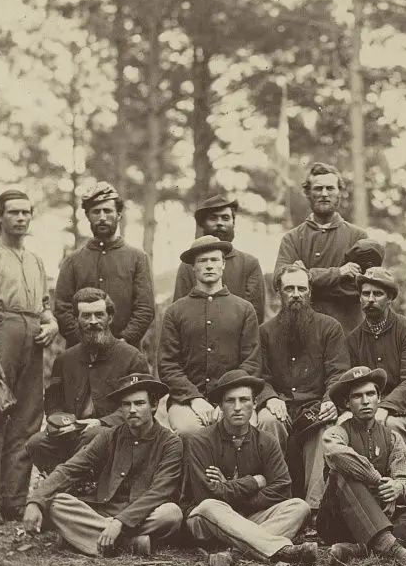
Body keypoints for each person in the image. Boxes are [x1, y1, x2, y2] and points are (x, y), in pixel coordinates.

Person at [0, 190, 59, 526]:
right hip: (0, 336)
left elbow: (44, 306)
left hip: (32, 340)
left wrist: (51, 324)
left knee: (27, 420)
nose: (20, 218)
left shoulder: (35, 261)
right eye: (13, 212)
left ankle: (15, 499)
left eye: (25, 212)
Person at [22, 373, 183, 557]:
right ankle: (127, 543)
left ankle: (84, 537)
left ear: (153, 405)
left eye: (139, 403)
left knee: (171, 514)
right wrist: (35, 500)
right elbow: (70, 469)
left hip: (144, 512)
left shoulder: (170, 442)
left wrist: (120, 522)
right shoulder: (109, 436)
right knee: (55, 502)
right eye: (126, 404)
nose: (132, 410)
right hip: (104, 510)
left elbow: (160, 491)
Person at [181, 370, 317, 566]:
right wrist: (255, 481)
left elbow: (282, 489)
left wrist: (229, 487)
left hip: (250, 516)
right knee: (210, 506)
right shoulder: (200, 441)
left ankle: (234, 552)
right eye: (230, 401)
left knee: (299, 506)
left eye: (244, 400)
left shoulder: (266, 441)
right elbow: (207, 494)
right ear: (220, 406)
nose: (237, 407)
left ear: (254, 404)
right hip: (208, 520)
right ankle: (281, 550)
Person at [318, 366, 406, 566]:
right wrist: (377, 480)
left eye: (370, 394)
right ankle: (393, 549)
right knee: (343, 473)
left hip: (381, 516)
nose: (365, 401)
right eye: (357, 396)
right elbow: (337, 455)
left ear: (379, 398)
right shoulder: (336, 433)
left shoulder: (392, 437)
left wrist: (398, 488)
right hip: (339, 520)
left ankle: (361, 549)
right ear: (347, 403)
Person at [157, 235, 273, 441]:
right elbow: (168, 365)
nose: (209, 265)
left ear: (223, 264)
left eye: (214, 260)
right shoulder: (175, 311)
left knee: (242, 431)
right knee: (189, 430)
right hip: (186, 401)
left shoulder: (244, 309)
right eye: (202, 261)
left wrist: (226, 399)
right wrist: (193, 398)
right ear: (193, 267)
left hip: (235, 399)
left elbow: (251, 362)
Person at [256, 263, 350, 512]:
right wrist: (269, 397)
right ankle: (274, 502)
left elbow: (338, 372)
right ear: (279, 292)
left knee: (325, 427)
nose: (296, 294)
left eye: (301, 289)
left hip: (315, 404)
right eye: (289, 289)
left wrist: (330, 399)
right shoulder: (265, 332)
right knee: (267, 421)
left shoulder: (330, 328)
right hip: (281, 405)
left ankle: (314, 509)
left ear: (310, 292)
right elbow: (259, 376)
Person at [26, 288, 150, 474]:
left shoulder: (132, 357)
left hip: (117, 433)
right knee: (36, 443)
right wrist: (61, 423)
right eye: (86, 316)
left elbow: (141, 405)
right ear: (77, 319)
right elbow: (53, 402)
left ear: (109, 317)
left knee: (93, 435)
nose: (93, 321)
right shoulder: (64, 360)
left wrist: (102, 422)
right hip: (73, 433)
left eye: (99, 315)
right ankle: (67, 481)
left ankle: (73, 481)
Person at [54, 182, 155, 348]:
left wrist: (123, 342)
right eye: (96, 211)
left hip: (125, 351)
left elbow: (145, 309)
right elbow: (62, 308)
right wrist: (83, 342)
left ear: (119, 215)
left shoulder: (138, 258)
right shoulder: (72, 261)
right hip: (80, 352)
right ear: (87, 216)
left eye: (107, 211)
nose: (102, 217)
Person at [274, 163, 368, 333]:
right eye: (318, 188)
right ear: (308, 193)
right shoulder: (292, 239)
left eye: (330, 188)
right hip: (302, 332)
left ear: (340, 192)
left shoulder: (358, 237)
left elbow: (358, 290)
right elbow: (280, 282)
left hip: (346, 332)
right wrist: (339, 273)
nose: (324, 194)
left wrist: (306, 276)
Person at [343, 267, 406, 451]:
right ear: (359, 297)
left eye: (378, 294)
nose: (370, 299)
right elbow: (351, 383)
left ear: (390, 298)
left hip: (404, 409)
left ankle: (401, 470)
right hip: (365, 405)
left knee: (392, 425)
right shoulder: (353, 339)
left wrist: (384, 407)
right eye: (366, 294)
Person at [173, 194, 266, 324]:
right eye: (213, 218)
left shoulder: (249, 264)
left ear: (233, 223)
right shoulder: (188, 265)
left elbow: (255, 316)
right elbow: (179, 313)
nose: (219, 223)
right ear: (203, 224)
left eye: (225, 218)